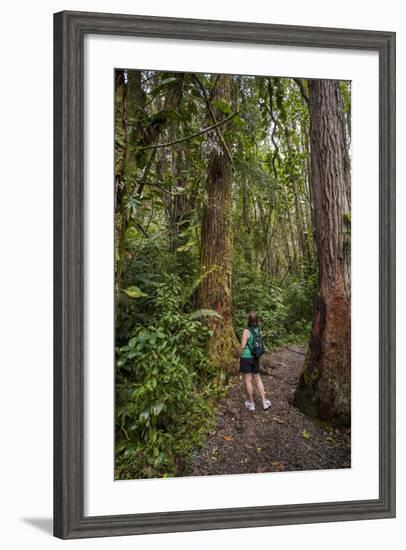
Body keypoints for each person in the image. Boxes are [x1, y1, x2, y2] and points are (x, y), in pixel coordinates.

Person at [238, 311, 272, 412]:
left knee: (248, 380)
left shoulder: (246, 331)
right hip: (256, 357)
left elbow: (243, 346)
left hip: (246, 357)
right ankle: (264, 401)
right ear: (257, 320)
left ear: (248, 320)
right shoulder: (258, 330)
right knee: (258, 379)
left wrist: (239, 357)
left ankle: (251, 404)